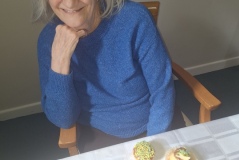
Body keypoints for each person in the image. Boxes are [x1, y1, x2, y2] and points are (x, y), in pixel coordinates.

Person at [32, 0, 185, 152]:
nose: (70, 3)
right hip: (99, 134)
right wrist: (60, 60)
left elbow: (162, 90)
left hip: (156, 121)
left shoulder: (134, 17)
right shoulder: (48, 40)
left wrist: (153, 144)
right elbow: (63, 120)